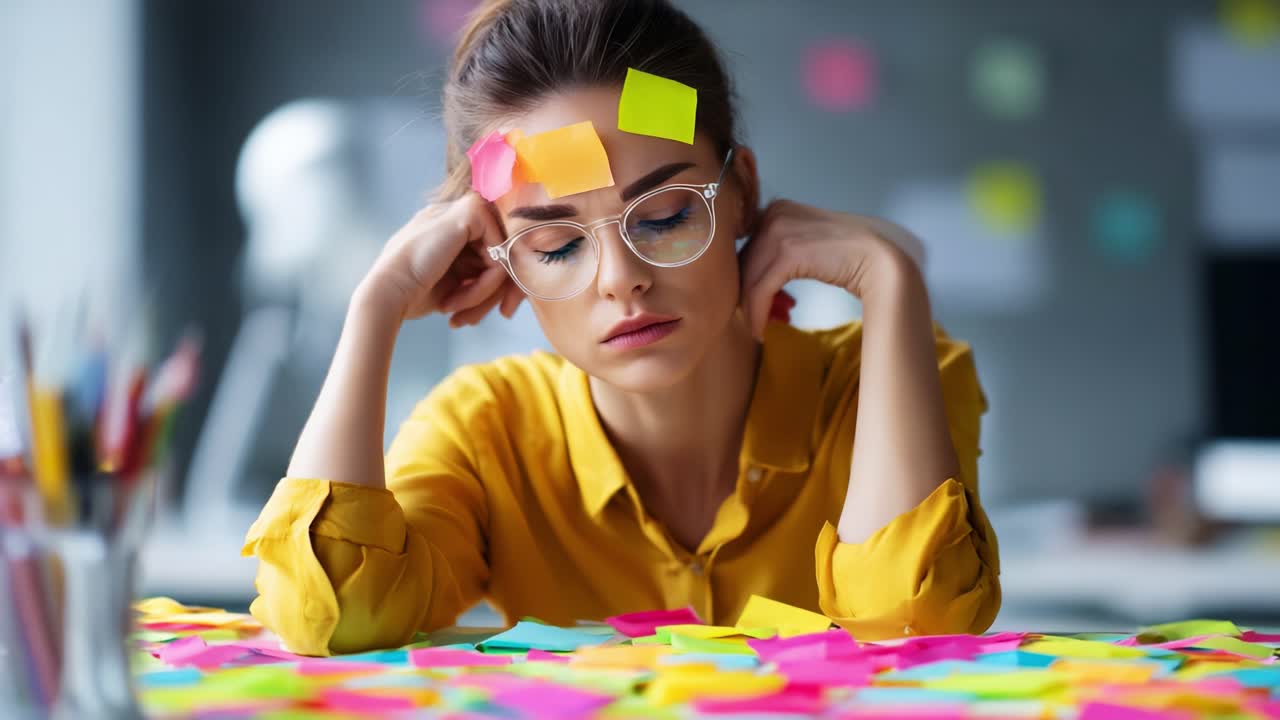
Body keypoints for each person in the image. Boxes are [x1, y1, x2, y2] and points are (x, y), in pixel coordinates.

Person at [243, 0, 1000, 657]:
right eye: (556, 246)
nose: (619, 278)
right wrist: (376, 305)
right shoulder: (485, 432)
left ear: (740, 192)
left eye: (667, 217)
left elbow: (919, 629)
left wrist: (890, 279)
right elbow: (334, 616)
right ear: (497, 257)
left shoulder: (888, 383)